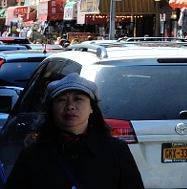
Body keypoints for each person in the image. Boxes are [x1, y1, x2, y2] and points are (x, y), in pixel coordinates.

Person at [5, 74, 144, 189]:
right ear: (51, 109)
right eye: (61, 100)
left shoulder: (116, 151)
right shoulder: (33, 156)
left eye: (78, 99)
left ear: (92, 108)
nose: (70, 106)